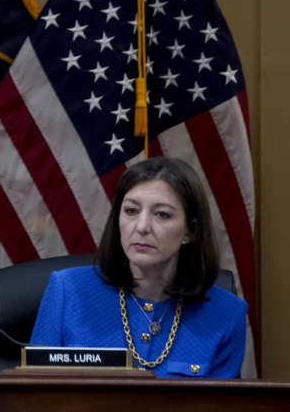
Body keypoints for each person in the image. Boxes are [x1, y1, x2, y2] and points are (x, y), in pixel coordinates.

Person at [30, 156, 247, 377]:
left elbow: (220, 409)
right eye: (131, 211)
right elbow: (36, 398)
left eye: (162, 214)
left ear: (190, 231)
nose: (142, 227)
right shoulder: (67, 291)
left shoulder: (227, 314)